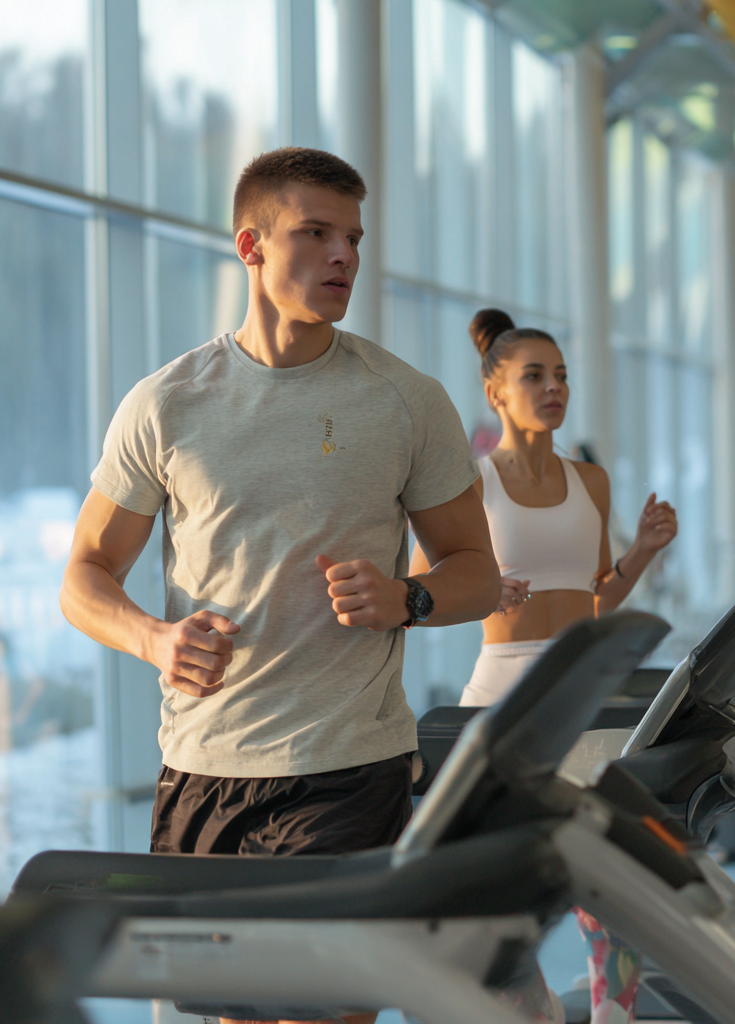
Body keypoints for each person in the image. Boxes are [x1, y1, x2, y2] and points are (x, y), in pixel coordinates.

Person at [60, 148, 500, 1024]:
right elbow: (84, 575)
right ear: (251, 246)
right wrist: (153, 638)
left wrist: (408, 598)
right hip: (203, 769)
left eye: (354, 237)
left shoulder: (405, 401)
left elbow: (477, 573)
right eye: (317, 234)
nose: (345, 256)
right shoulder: (166, 405)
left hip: (349, 765)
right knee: (241, 1014)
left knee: (320, 1011)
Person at [411, 308, 676, 1024]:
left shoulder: (591, 481)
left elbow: (599, 595)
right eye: (535, 375)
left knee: (612, 899)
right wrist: (483, 587)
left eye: (561, 375)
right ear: (495, 391)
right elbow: (420, 589)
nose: (554, 387)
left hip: (587, 699)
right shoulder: (470, 484)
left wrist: (643, 552)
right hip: (504, 698)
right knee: (506, 907)